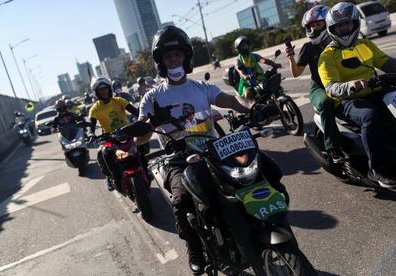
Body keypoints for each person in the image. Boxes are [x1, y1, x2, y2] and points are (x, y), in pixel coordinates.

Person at [135, 26, 283, 274]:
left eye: (177, 55)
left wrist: (256, 107)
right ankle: (194, 246)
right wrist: (153, 122)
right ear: (160, 61)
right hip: (179, 159)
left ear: (186, 57)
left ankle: (268, 220)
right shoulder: (151, 98)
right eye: (168, 56)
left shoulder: (201, 88)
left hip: (215, 150)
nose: (173, 60)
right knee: (181, 202)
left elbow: (233, 101)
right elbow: (140, 139)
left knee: (268, 170)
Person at [318, 2, 396, 187]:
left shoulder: (365, 44)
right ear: (332, 28)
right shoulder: (327, 56)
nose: (344, 28)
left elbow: (386, 62)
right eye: (340, 25)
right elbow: (331, 88)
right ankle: (377, 169)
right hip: (347, 100)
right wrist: (353, 85)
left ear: (354, 23)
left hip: (375, 90)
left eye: (348, 24)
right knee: (371, 116)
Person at [285, 5, 344, 163]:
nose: (313, 29)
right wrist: (291, 57)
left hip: (342, 83)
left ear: (327, 23)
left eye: (317, 24)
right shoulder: (308, 48)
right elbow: (296, 73)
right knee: (325, 103)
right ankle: (333, 148)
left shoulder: (339, 41)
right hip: (319, 88)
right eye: (310, 26)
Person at [88, 76, 139, 191]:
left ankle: (145, 166)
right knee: (103, 153)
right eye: (101, 90)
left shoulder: (119, 101)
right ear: (97, 93)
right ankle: (112, 178)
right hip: (110, 138)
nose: (104, 92)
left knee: (141, 142)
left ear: (109, 89)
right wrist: (91, 134)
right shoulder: (94, 109)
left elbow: (135, 111)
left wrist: (142, 115)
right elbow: (92, 125)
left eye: (105, 88)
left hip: (127, 132)